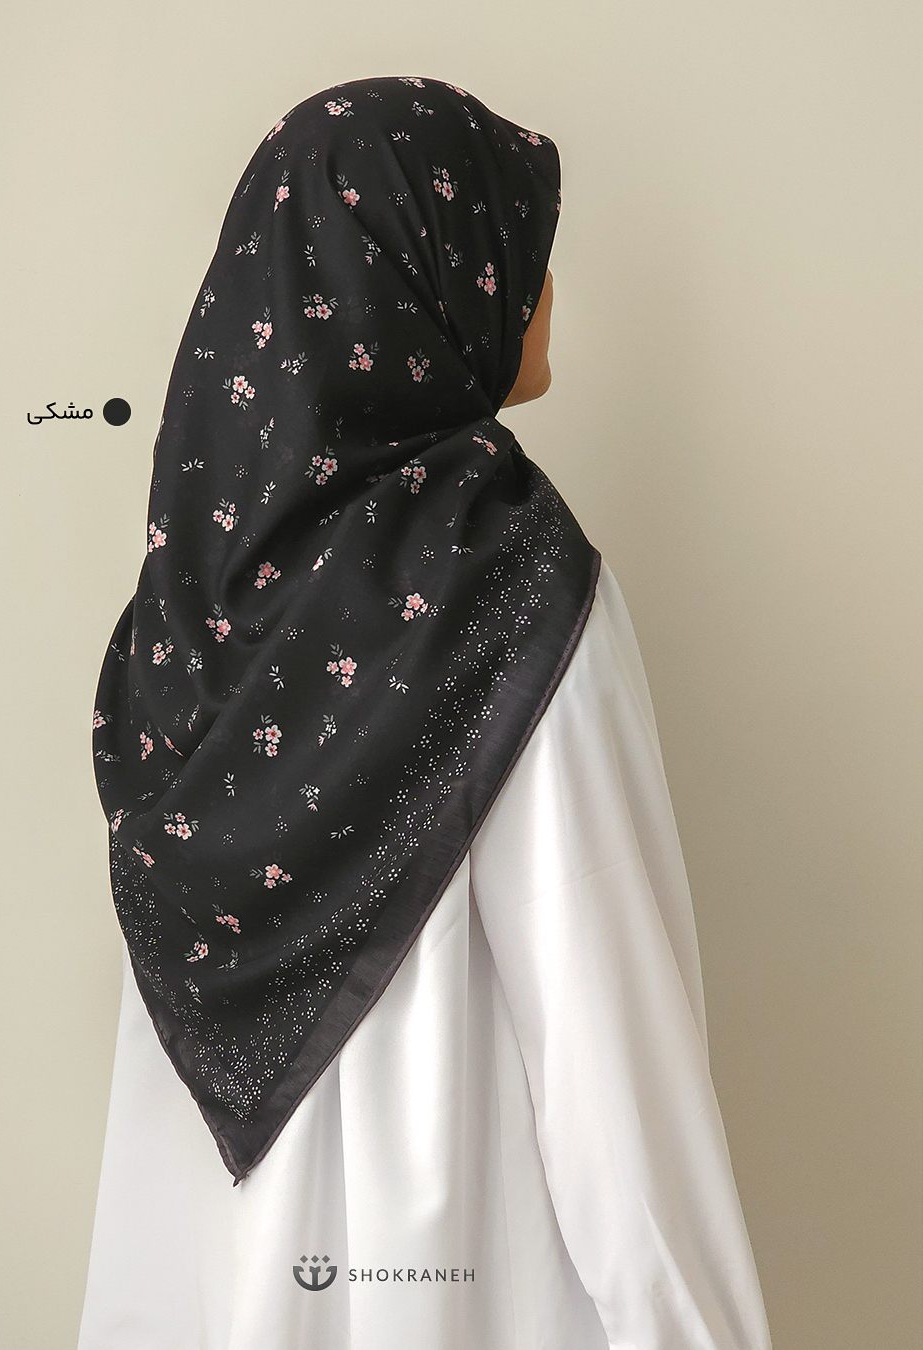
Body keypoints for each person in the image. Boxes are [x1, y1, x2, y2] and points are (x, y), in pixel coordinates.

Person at [79, 76, 773, 1349]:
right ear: (420, 283)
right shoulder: (503, 579)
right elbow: (613, 1051)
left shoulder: (176, 623)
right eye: (518, 254)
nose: (544, 293)